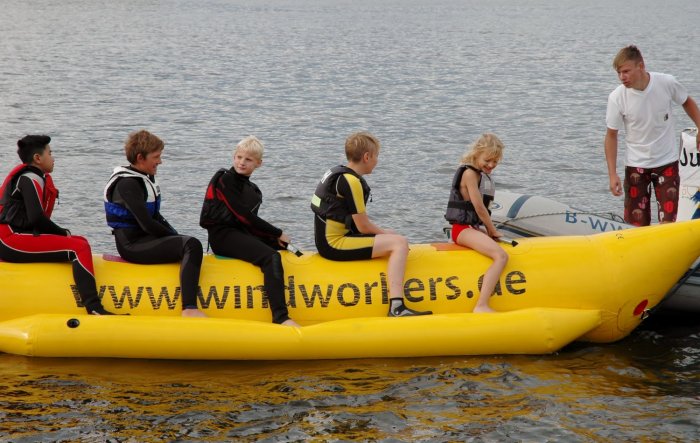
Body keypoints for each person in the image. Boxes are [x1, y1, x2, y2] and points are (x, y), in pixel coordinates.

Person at [311, 131, 431, 317]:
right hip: (334, 244)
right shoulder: (351, 181)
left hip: (328, 240)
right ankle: (397, 307)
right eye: (376, 156)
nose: (377, 161)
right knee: (399, 243)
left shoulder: (339, 173)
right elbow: (363, 227)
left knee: (391, 234)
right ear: (367, 157)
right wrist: (390, 237)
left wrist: (387, 233)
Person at [0, 135, 114, 315]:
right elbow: (36, 218)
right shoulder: (30, 178)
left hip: (13, 237)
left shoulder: (32, 177)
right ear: (38, 158)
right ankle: (94, 307)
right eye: (50, 153)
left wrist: (62, 234)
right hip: (9, 240)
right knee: (78, 247)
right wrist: (62, 232)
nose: (53, 158)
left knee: (80, 240)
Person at [104, 130, 205, 317]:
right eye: (156, 157)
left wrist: (177, 237)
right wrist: (181, 242)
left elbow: (156, 217)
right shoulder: (127, 184)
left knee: (188, 242)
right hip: (132, 245)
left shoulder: (142, 178)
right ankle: (189, 308)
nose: (160, 161)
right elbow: (147, 224)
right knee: (192, 245)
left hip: (144, 239)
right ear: (140, 158)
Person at [199, 136, 299, 327]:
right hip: (222, 237)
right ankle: (281, 317)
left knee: (281, 248)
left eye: (248, 159)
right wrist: (277, 232)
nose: (242, 162)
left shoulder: (253, 189)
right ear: (234, 157)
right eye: (239, 157)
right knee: (271, 257)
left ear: (258, 163)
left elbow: (250, 225)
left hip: (239, 234)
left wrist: (274, 239)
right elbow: (244, 216)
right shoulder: (224, 180)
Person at [604, 44, 700, 226]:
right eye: (619, 73)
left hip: (667, 164)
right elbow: (611, 136)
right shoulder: (617, 97)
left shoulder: (666, 83)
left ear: (641, 66)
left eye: (626, 71)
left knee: (668, 224)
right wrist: (612, 174)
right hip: (636, 166)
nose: (622, 77)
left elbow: (686, 101)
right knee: (635, 227)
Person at [444, 132, 508, 313]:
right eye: (487, 160)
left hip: (470, 227)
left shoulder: (478, 174)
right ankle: (481, 305)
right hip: (462, 229)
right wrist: (492, 230)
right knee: (501, 256)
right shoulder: (469, 174)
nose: (491, 165)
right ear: (476, 154)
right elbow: (479, 208)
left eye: (495, 161)